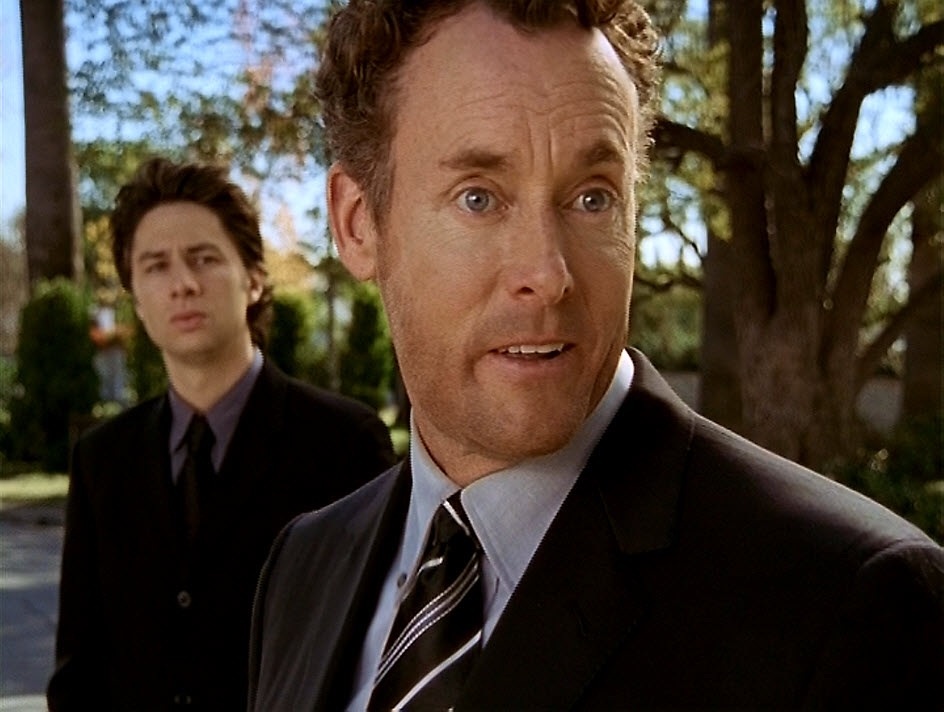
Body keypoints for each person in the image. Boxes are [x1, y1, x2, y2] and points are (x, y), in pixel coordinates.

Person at [248, 1, 944, 709]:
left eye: (592, 199)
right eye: (479, 198)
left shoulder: (853, 604)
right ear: (358, 223)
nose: (549, 274)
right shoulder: (304, 564)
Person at [47, 157, 397, 711]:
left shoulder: (344, 442)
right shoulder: (101, 459)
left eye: (203, 258)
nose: (182, 284)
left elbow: (379, 657)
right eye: (156, 266)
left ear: (253, 279)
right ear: (137, 300)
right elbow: (78, 674)